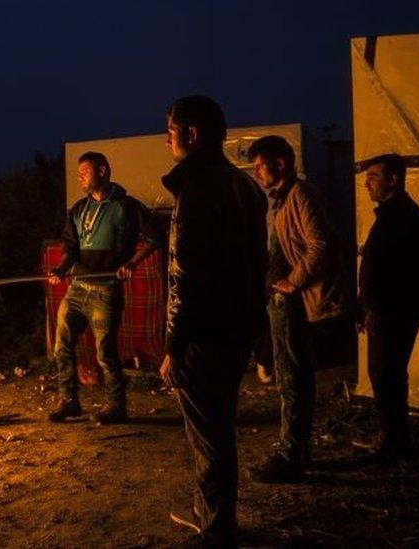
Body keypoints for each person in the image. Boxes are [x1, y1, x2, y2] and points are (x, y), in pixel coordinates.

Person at [158, 96, 268, 547]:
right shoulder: (243, 187)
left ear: (193, 134)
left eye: (170, 131)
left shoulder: (199, 189)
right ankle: (214, 515)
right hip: (237, 327)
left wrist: (172, 344)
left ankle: (216, 529)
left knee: (208, 436)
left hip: (205, 332)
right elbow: (255, 264)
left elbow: (187, 275)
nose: (167, 139)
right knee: (219, 428)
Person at [246, 136, 349, 483]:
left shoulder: (301, 194)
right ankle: (295, 449)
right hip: (281, 300)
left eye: (260, 164)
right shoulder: (280, 199)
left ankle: (292, 455)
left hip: (292, 301)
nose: (256, 171)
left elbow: (321, 243)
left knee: (293, 377)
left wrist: (293, 281)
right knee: (289, 374)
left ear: (282, 163)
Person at [47, 151, 157, 425]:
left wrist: (132, 263)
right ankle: (69, 401)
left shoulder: (127, 207)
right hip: (78, 287)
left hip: (106, 289)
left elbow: (155, 237)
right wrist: (61, 269)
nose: (80, 176)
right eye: (79, 172)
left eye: (85, 171)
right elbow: (71, 248)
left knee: (105, 353)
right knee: (62, 345)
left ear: (103, 171)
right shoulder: (78, 209)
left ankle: (116, 406)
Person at [358, 153, 419, 460]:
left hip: (393, 312)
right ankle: (394, 440)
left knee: (387, 374)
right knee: (386, 374)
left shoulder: (402, 218)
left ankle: (395, 444)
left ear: (393, 179)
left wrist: (375, 308)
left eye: (373, 176)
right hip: (387, 310)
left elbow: (398, 272)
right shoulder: (391, 215)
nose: (366, 183)